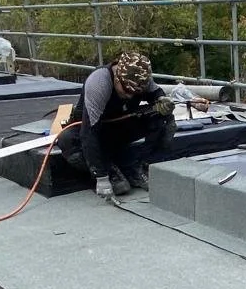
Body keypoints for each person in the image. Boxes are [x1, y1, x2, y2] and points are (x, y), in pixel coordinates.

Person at [60, 50, 175, 200]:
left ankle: (137, 167)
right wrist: (101, 177)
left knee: (162, 118)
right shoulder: (99, 82)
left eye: (135, 92)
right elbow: (89, 134)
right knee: (67, 139)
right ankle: (109, 170)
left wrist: (162, 100)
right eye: (127, 90)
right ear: (117, 78)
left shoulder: (140, 77)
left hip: (120, 126)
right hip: (96, 129)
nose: (130, 96)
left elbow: (156, 92)